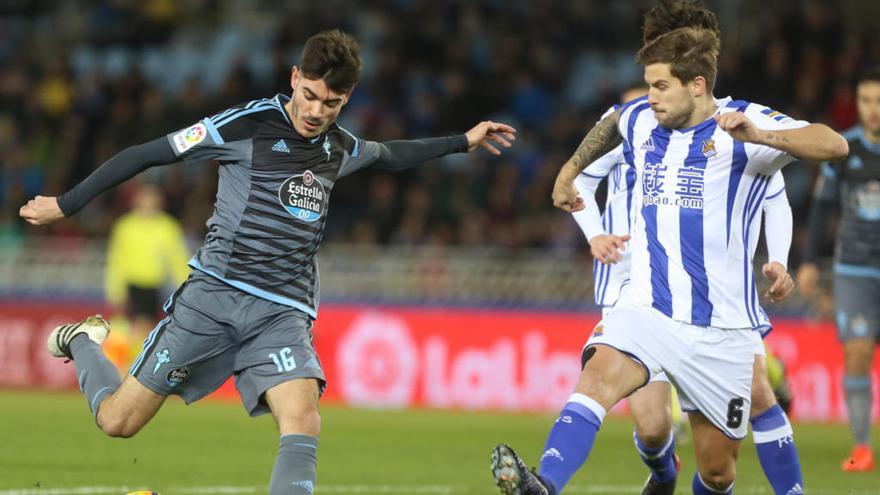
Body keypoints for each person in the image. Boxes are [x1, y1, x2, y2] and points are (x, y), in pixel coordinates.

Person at [20, 29, 515, 495]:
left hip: (282, 312)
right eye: (311, 96)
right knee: (117, 422)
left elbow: (390, 155)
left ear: (348, 98)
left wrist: (462, 141)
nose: (317, 111)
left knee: (303, 418)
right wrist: (67, 203)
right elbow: (146, 153)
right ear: (295, 78)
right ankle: (83, 341)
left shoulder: (339, 147)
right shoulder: (244, 124)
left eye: (332, 103)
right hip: (213, 297)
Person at [490, 1, 847, 494]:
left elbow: (834, 145)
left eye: (661, 87)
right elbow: (613, 121)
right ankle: (544, 485)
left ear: (697, 85)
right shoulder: (642, 118)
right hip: (648, 306)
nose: (650, 98)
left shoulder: (745, 125)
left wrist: (763, 135)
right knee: (597, 378)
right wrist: (569, 171)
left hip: (722, 327)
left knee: (719, 473)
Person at [574, 84, 802, 493]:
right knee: (653, 429)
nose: (652, 104)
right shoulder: (626, 127)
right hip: (631, 288)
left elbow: (775, 192)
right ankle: (664, 474)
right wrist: (595, 235)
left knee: (757, 392)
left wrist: (779, 258)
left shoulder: (721, 133)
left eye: (658, 90)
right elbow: (578, 182)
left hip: (713, 292)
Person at [798, 66, 880, 473]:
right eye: (866, 100)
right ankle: (862, 446)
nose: (873, 110)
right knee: (858, 352)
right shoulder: (843, 151)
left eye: (879, 101)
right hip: (855, 270)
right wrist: (811, 260)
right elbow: (821, 209)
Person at [105, 182, 190, 361]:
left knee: (147, 329)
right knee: (137, 328)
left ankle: (133, 367)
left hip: (155, 284)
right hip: (133, 283)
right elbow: (116, 260)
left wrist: (186, 286)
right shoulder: (126, 226)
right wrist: (115, 290)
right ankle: (131, 368)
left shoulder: (167, 226)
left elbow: (177, 259)